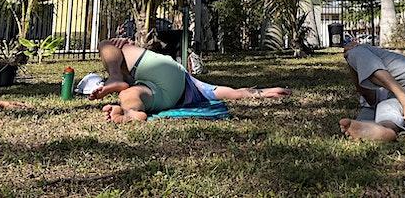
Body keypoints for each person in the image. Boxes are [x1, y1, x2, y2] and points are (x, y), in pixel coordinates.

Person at [90, 38, 290, 123]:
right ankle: (130, 111)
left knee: (108, 46)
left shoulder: (167, 93)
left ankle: (117, 81)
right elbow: (232, 92)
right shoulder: (198, 88)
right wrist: (263, 92)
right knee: (129, 92)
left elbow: (231, 93)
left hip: (161, 85)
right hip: (171, 72)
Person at [338, 39, 405, 142]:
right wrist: (351, 63)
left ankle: (403, 97)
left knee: (356, 52)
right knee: (386, 106)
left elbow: (365, 90)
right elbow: (366, 94)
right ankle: (385, 129)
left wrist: (351, 56)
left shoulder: (374, 65)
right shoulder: (380, 97)